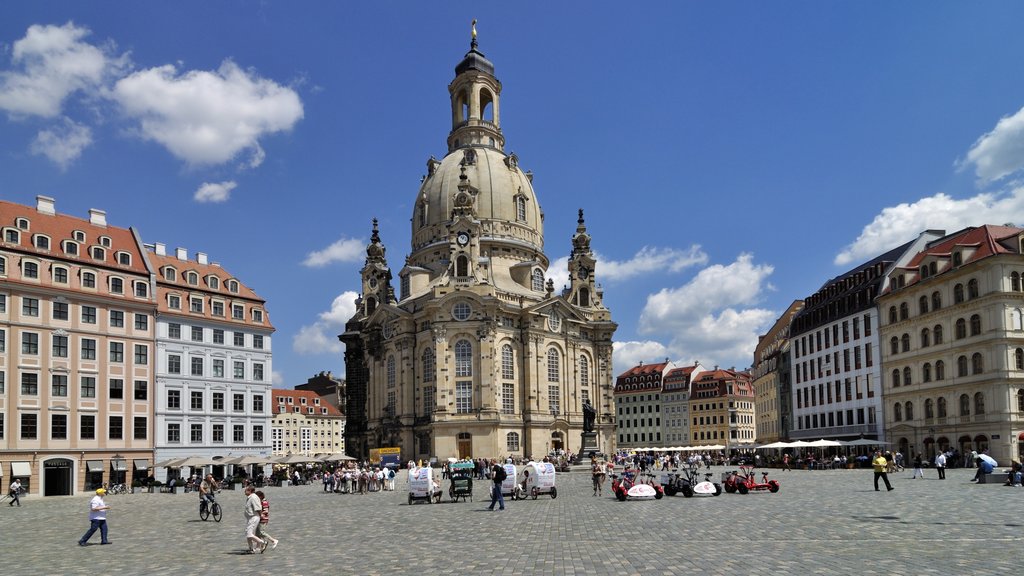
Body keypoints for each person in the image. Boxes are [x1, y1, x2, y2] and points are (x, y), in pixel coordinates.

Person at [243, 486, 265, 553]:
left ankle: (262, 542)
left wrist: (260, 515)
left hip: (254, 517)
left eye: (246, 490)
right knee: (248, 534)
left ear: (250, 491)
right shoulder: (250, 497)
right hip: (250, 518)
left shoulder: (253, 497)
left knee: (249, 534)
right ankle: (251, 549)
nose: (244, 491)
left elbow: (258, 508)